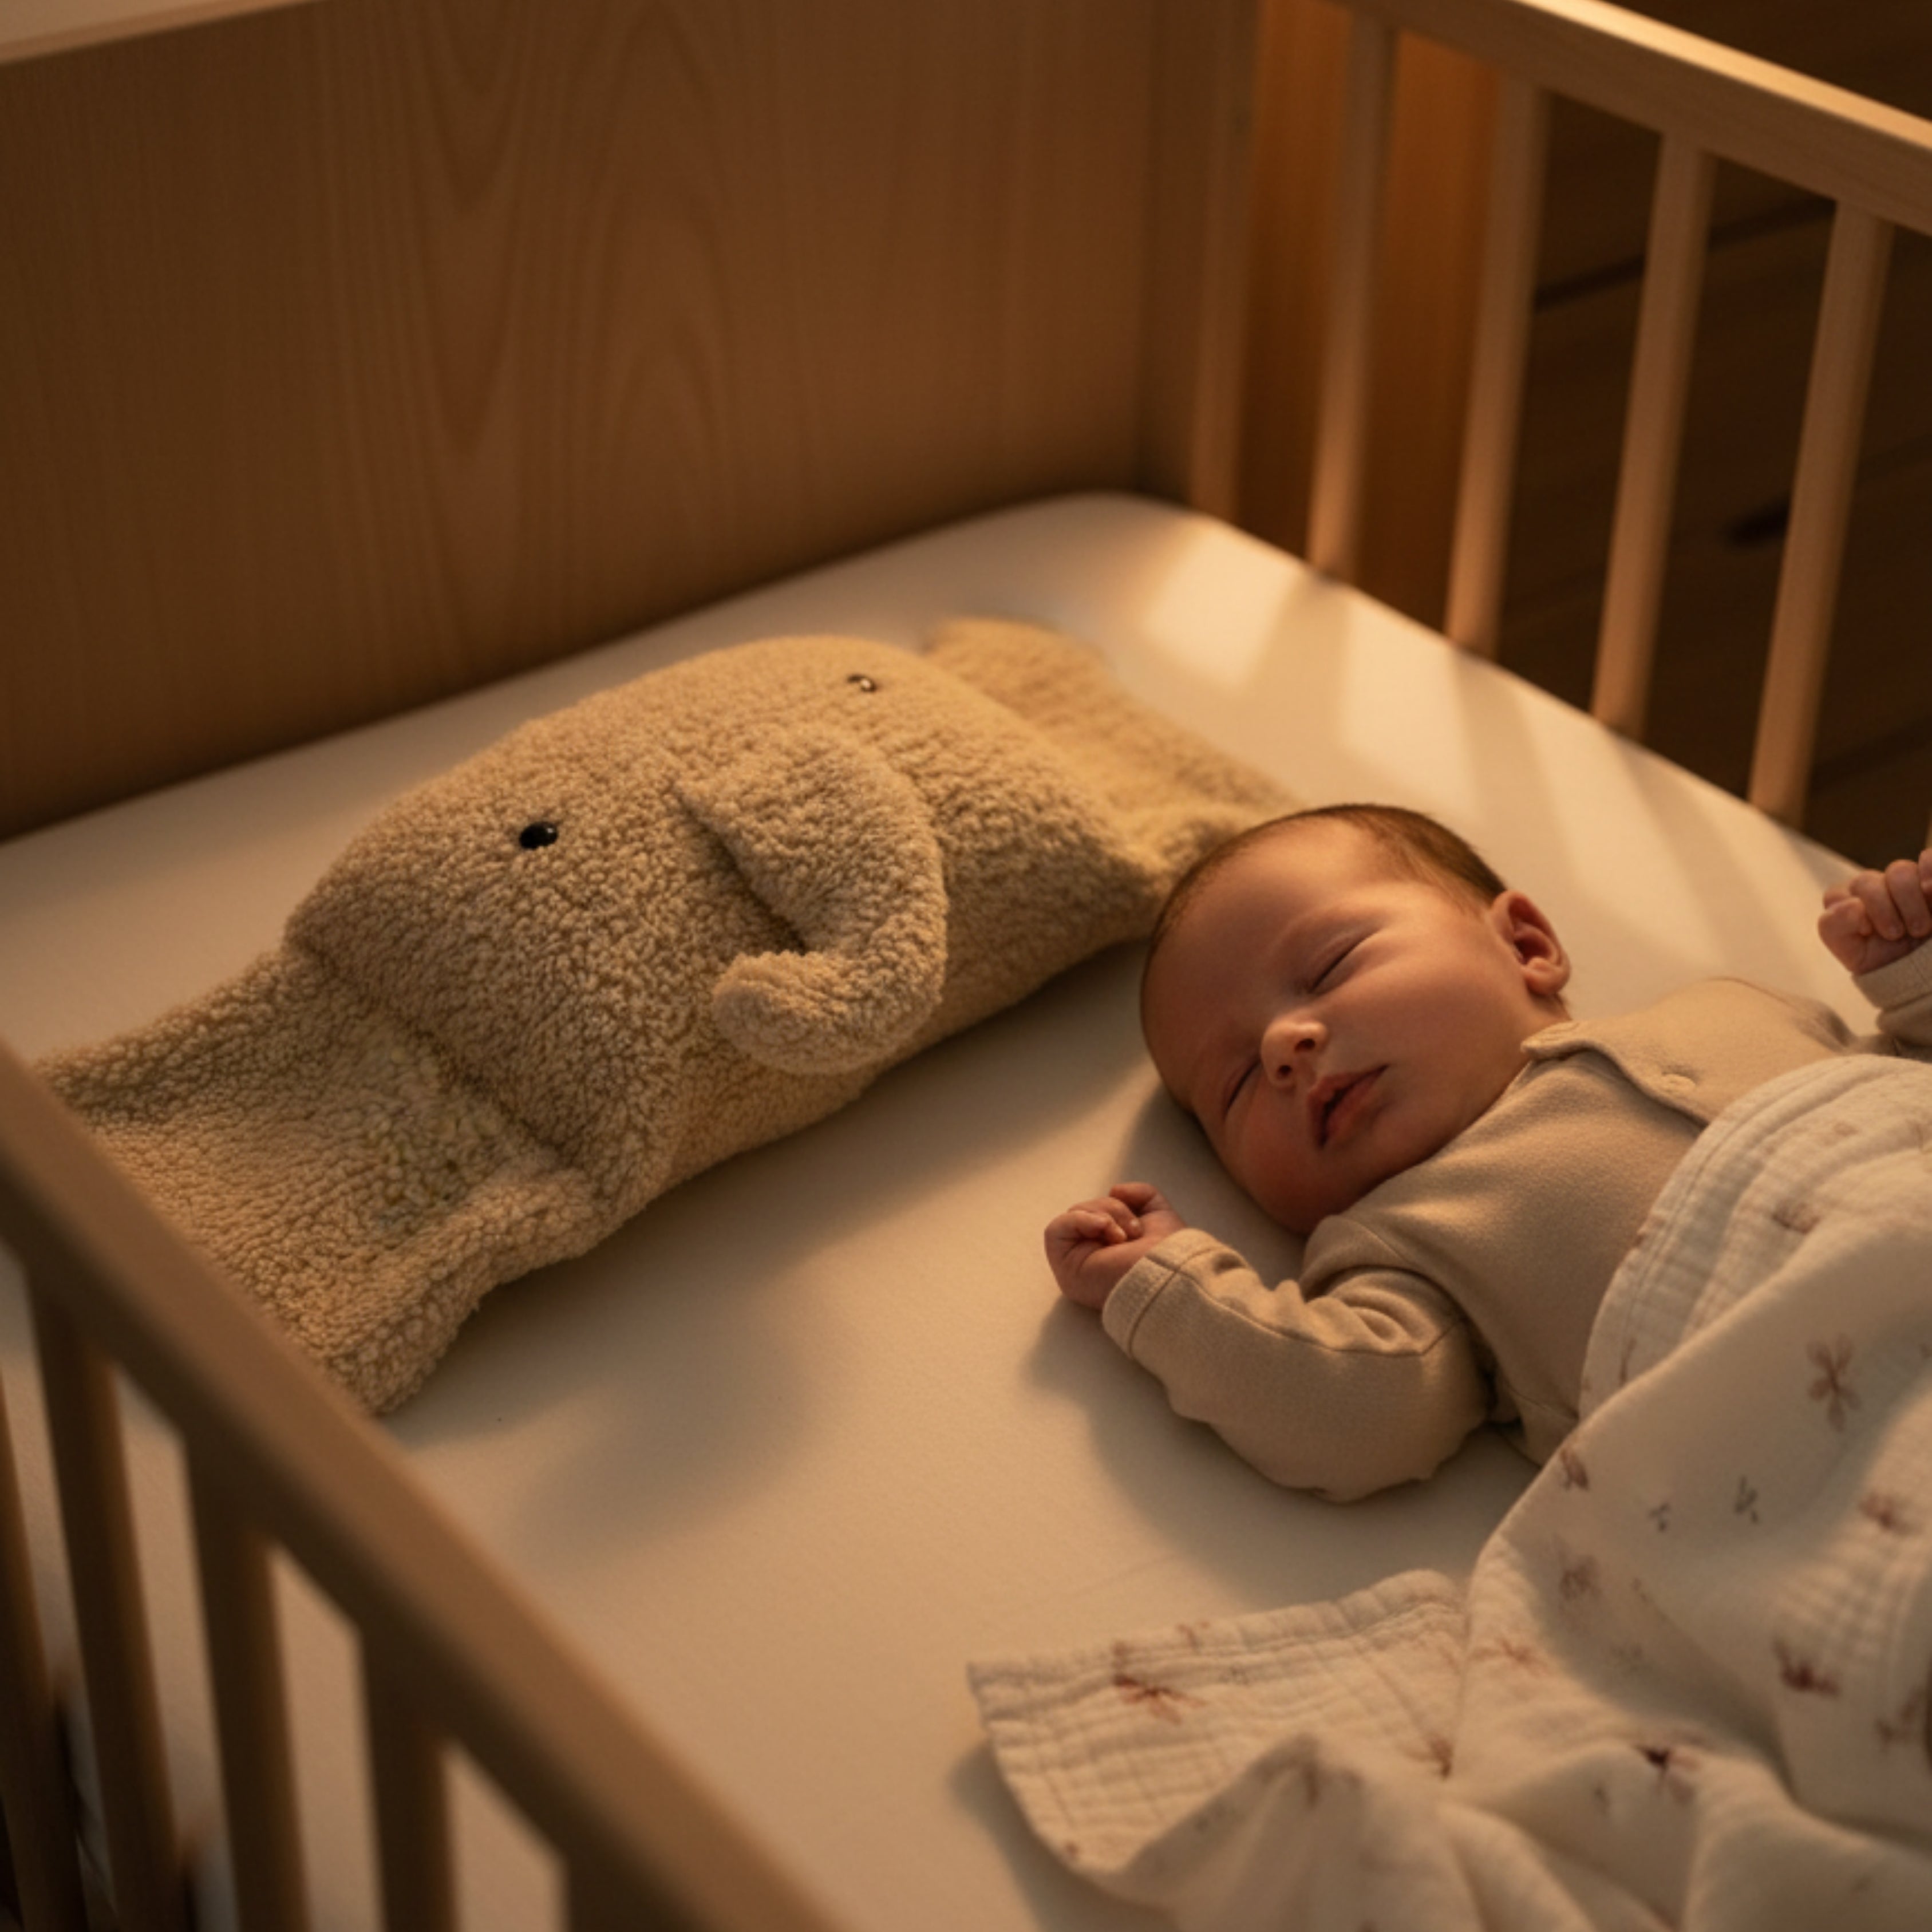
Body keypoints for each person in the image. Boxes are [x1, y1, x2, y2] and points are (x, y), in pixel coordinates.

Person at [1044, 804, 1932, 1500]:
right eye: (1236, 1084)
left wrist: (1915, 973)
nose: (1284, 1044)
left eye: (1332, 967)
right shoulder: (1403, 1245)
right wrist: (1171, 1286)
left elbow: (1902, 1083)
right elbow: (1355, 1414)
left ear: (1526, 945)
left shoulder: (1732, 1006)